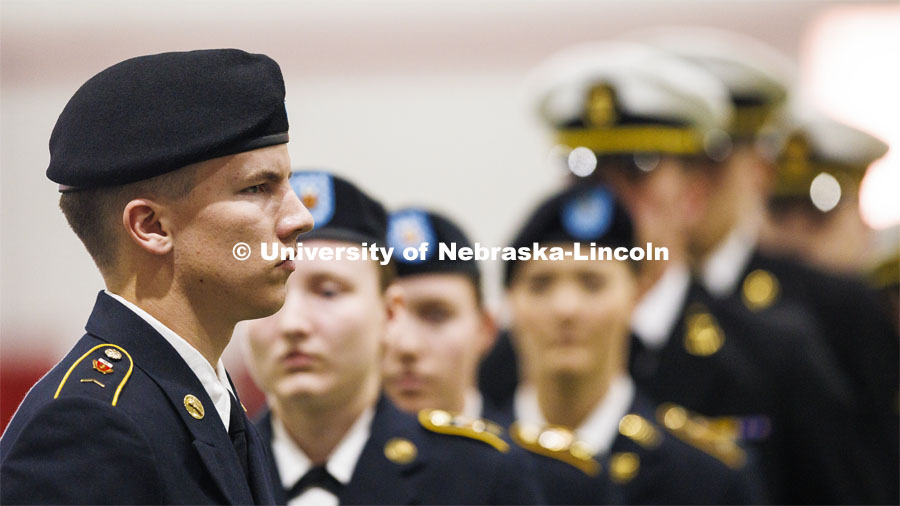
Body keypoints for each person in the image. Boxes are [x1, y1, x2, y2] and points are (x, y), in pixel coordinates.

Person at [0, 49, 313, 504]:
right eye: (257, 188)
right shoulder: (90, 427)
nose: (299, 217)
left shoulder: (207, 401)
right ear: (151, 227)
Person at [242, 171, 542, 506]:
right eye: (273, 293)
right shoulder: (199, 467)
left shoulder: (480, 476)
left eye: (328, 292)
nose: (293, 323)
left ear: (389, 312)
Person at [502, 182, 761, 505]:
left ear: (638, 294)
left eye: (592, 284)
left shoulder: (704, 480)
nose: (565, 308)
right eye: (541, 285)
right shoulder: (469, 467)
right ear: (510, 302)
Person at [382, 208, 497, 419]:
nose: (408, 347)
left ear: (485, 329)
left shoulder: (520, 452)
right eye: (387, 316)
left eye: (437, 316)